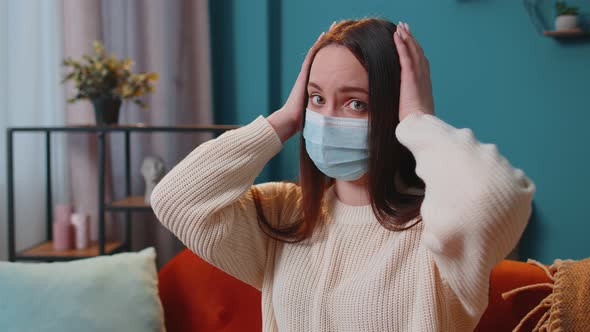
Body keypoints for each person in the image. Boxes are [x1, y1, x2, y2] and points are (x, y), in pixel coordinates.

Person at [151, 18, 535, 332]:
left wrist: (419, 121)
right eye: (317, 99)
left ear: (393, 111)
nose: (329, 118)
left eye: (356, 103)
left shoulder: (436, 231)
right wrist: (284, 120)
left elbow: (497, 198)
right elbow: (175, 201)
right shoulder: (287, 212)